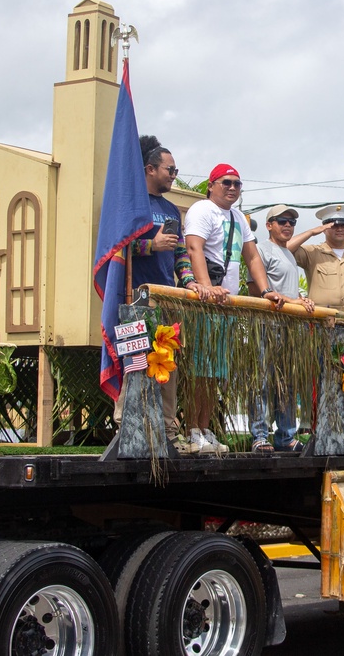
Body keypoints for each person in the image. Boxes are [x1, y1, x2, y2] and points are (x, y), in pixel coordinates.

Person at [184, 163, 289, 453]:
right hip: (206, 302)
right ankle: (193, 431)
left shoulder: (238, 217)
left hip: (226, 303)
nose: (232, 188)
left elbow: (252, 256)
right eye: (226, 182)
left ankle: (204, 430)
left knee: (215, 371)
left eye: (237, 184)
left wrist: (266, 290)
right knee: (200, 370)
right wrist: (205, 285)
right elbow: (194, 247)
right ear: (211, 184)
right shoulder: (202, 210)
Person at [121, 136, 213, 452]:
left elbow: (180, 255)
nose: (174, 175)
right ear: (149, 168)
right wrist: (149, 245)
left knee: (167, 363)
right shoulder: (130, 204)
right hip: (137, 296)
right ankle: (126, 426)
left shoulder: (171, 208)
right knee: (136, 361)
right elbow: (114, 249)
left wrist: (188, 283)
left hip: (168, 296)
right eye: (169, 169)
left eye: (176, 171)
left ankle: (169, 431)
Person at [246, 205, 315, 453]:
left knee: (288, 382)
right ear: (269, 225)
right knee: (263, 380)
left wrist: (300, 299)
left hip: (289, 327)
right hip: (267, 324)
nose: (287, 225)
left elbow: (287, 290)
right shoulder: (261, 250)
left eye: (292, 222)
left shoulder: (287, 253)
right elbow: (254, 287)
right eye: (281, 221)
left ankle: (286, 436)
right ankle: (260, 436)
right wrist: (289, 300)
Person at [288, 205, 344, 314]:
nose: (339, 229)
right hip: (318, 318)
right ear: (324, 229)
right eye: (334, 226)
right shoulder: (313, 253)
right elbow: (285, 248)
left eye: (343, 225)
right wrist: (311, 232)